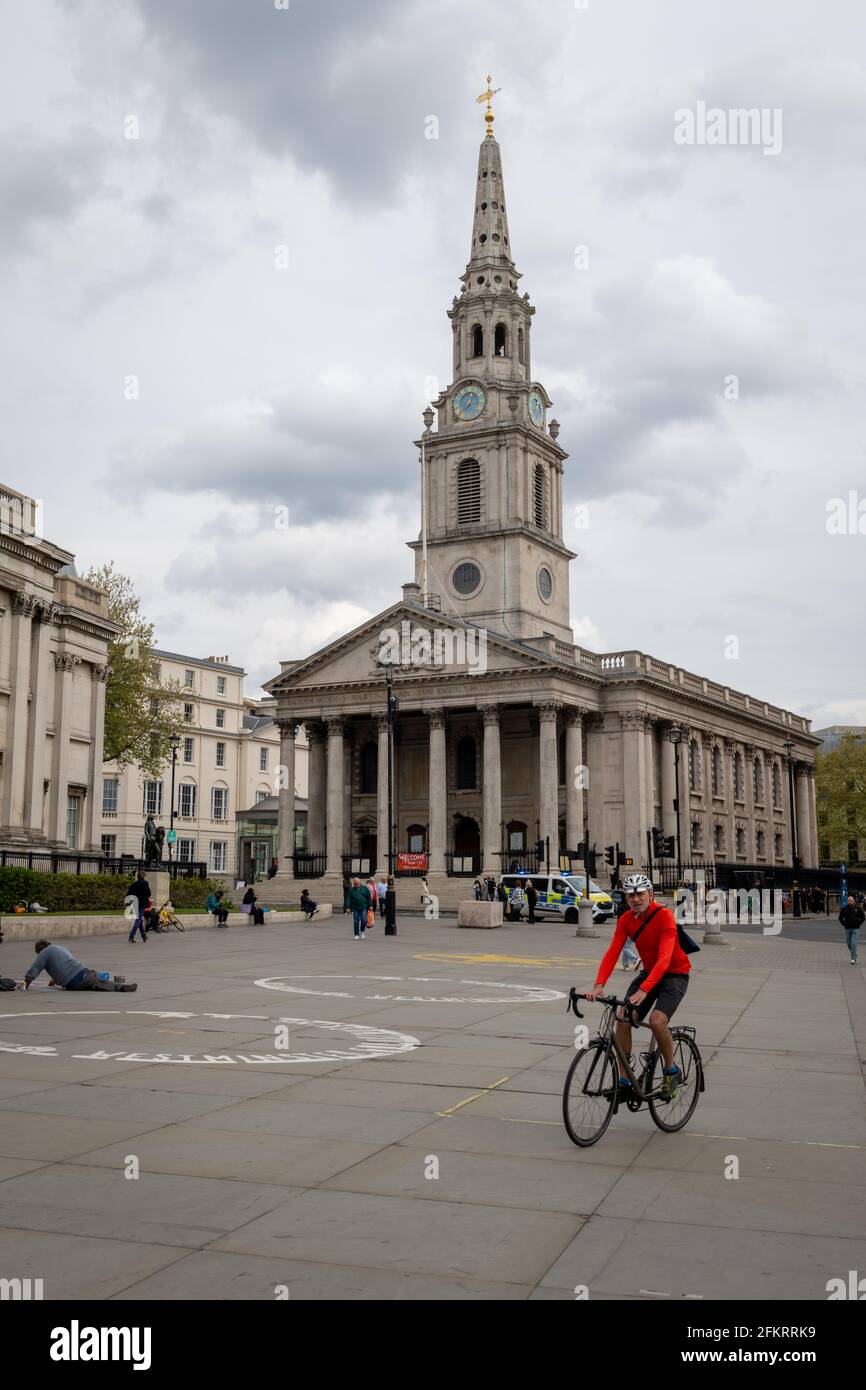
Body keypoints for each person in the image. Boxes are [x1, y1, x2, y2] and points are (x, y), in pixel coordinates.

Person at [587, 872, 691, 1100]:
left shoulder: (664, 916)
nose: (635, 899)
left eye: (640, 894)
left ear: (650, 894)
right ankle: (625, 1080)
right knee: (623, 1018)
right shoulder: (626, 920)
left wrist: (645, 990)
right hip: (649, 973)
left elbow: (665, 959)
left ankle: (671, 1071)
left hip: (675, 974)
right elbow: (613, 951)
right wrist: (598, 984)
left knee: (657, 1021)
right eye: (630, 895)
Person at [21, 941, 137, 992]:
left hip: (71, 983)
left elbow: (35, 969)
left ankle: (117, 987)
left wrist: (26, 984)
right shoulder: (58, 948)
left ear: (39, 950)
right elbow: (66, 964)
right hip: (79, 975)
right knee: (97, 978)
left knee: (95, 982)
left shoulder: (45, 952)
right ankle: (121, 987)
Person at [839, 893, 864, 965]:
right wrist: (844, 924)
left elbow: (863, 917)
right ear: (847, 901)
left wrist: (859, 923)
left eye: (851, 901)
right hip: (847, 928)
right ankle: (854, 953)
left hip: (856, 929)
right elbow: (840, 918)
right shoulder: (844, 909)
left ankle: (853, 959)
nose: (850, 902)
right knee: (848, 944)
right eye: (848, 901)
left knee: (853, 944)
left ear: (853, 901)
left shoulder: (858, 908)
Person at [127, 869, 151, 944]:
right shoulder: (145, 883)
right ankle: (131, 936)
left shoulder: (134, 884)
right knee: (138, 920)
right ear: (143, 876)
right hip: (141, 903)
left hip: (134, 903)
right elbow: (148, 893)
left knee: (139, 920)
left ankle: (144, 936)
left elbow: (128, 894)